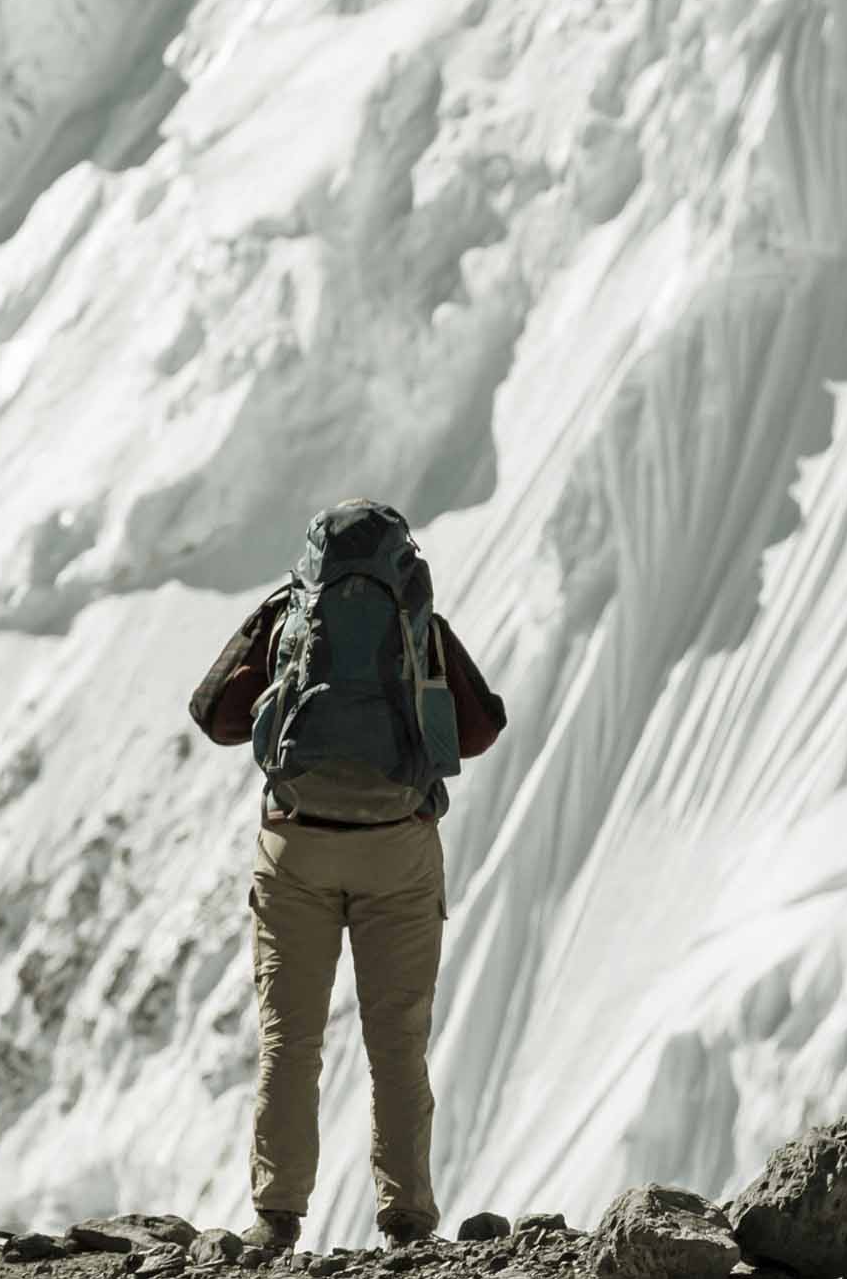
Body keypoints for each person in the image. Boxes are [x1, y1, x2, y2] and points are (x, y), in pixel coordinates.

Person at [187, 500, 509, 1257]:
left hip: (297, 849)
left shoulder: (288, 614)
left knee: (289, 1041)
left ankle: (276, 1220)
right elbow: (482, 726)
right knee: (396, 1042)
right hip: (396, 853)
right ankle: (406, 1222)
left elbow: (214, 714)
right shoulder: (416, 621)